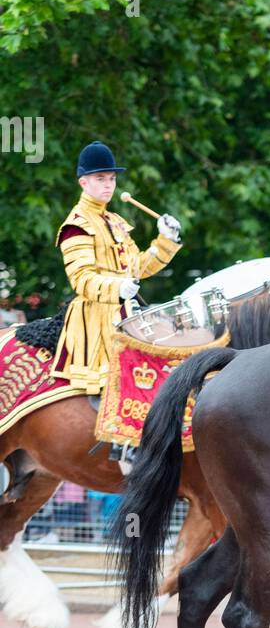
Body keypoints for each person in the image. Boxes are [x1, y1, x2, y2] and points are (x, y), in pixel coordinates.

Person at [51, 141, 183, 464]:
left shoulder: (115, 222)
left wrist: (165, 241)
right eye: (100, 179)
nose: (108, 185)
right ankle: (124, 443)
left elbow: (138, 267)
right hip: (97, 317)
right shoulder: (77, 225)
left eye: (111, 178)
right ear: (83, 182)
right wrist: (118, 288)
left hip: (126, 309)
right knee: (128, 372)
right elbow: (82, 280)